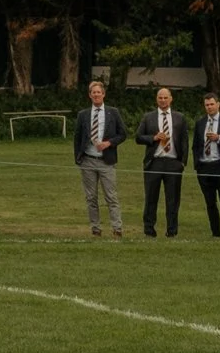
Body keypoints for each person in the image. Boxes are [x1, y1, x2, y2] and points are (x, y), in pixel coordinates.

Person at [73, 79, 124, 238]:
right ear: (90, 95)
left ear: (103, 94)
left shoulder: (112, 112)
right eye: (93, 92)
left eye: (98, 92)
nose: (96, 95)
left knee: (111, 196)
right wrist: (78, 158)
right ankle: (95, 228)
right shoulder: (83, 115)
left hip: (106, 161)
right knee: (91, 197)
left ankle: (117, 228)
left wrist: (108, 143)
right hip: (88, 161)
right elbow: (77, 137)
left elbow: (123, 134)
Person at [136, 87, 185, 237]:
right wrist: (153, 138)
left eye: (165, 98)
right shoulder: (148, 117)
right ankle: (149, 230)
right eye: (160, 98)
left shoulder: (179, 118)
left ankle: (172, 231)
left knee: (173, 200)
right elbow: (138, 137)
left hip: (173, 163)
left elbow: (184, 141)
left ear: (171, 99)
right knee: (151, 198)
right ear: (156, 99)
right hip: (154, 162)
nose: (163, 100)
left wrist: (182, 162)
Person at [191, 92, 220, 237]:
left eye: (212, 104)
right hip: (204, 166)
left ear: (218, 104)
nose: (209, 107)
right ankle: (215, 232)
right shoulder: (200, 122)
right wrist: (197, 163)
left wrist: (219, 138)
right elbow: (196, 145)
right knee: (210, 202)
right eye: (207, 105)